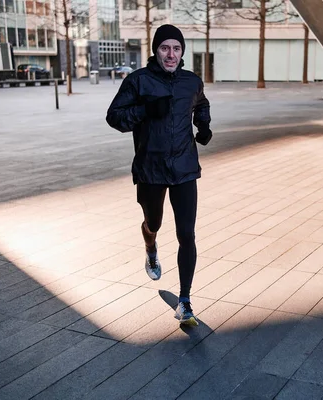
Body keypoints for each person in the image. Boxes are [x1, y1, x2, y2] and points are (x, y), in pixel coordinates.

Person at [106, 24, 212, 326]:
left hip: (184, 168)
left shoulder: (191, 81)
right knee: (154, 221)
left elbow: (201, 103)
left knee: (186, 234)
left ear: (182, 52)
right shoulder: (138, 81)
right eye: (165, 47)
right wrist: (146, 110)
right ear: (156, 50)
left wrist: (203, 126)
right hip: (150, 168)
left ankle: (185, 301)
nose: (171, 54)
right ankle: (150, 245)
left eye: (176, 48)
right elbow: (114, 117)